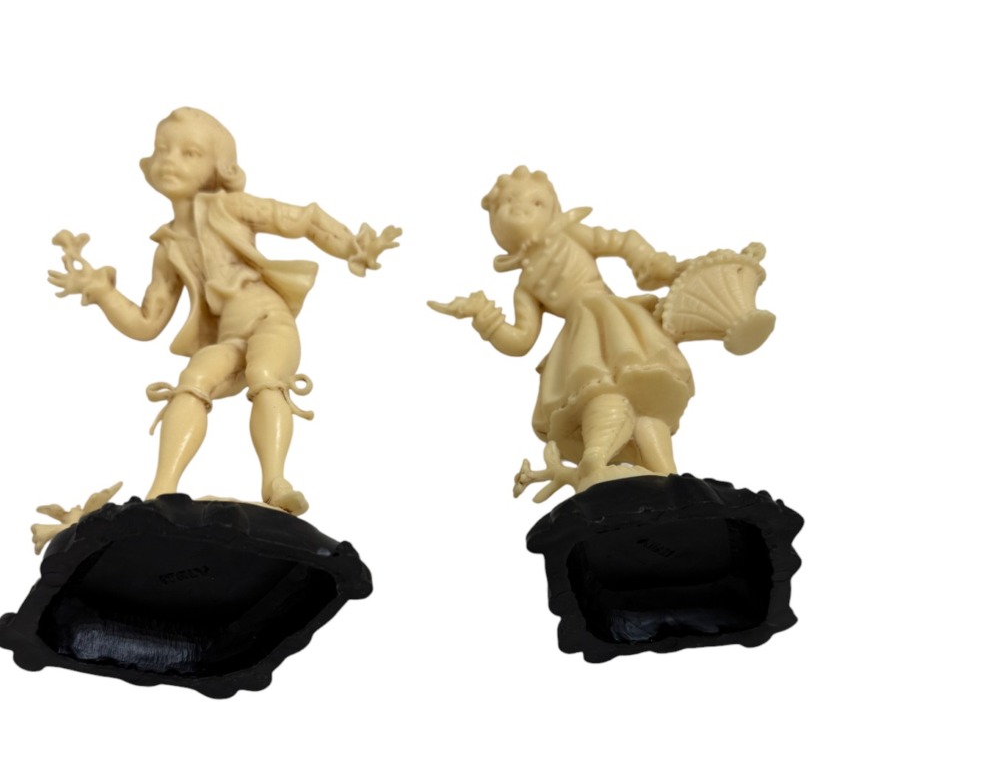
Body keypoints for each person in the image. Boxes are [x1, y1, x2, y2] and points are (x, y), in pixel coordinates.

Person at [48, 107, 399, 514]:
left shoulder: (231, 208)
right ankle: (161, 492)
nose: (171, 160)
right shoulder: (168, 249)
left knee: (265, 375)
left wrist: (353, 247)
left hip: (269, 320)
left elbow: (305, 220)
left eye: (190, 153)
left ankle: (275, 483)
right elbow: (147, 323)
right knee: (193, 379)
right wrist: (102, 292)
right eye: (162, 150)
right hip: (229, 337)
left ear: (221, 168)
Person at [430, 164, 693, 494]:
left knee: (636, 392)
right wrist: (487, 320)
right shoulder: (526, 286)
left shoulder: (571, 234)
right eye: (508, 202)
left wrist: (651, 263)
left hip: (612, 319)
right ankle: (609, 465)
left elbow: (621, 241)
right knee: (602, 391)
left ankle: (662, 475)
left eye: (536, 202)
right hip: (580, 339)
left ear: (554, 209)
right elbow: (521, 340)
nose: (521, 208)